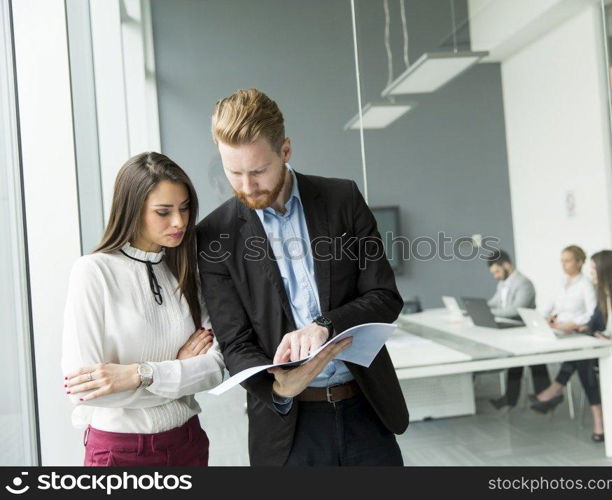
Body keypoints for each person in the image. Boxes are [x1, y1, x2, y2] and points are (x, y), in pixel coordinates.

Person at [197, 89, 409, 466]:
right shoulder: (215, 235)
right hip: (288, 429)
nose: (247, 186)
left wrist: (324, 325)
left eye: (258, 171)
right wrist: (280, 385)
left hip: (366, 410)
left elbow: (384, 296)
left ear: (286, 151)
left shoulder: (342, 199)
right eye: (234, 172)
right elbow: (235, 341)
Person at [62, 152, 225, 466]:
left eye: (184, 208)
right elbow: (82, 390)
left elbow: (215, 368)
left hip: (187, 442)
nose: (179, 222)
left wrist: (140, 374)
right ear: (133, 211)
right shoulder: (94, 272)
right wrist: (178, 370)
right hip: (120, 453)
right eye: (163, 212)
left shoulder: (183, 271)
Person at [531, 250, 612, 442]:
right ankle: (595, 419)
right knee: (583, 358)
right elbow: (594, 321)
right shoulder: (604, 293)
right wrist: (576, 327)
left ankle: (562, 393)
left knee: (583, 360)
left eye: (593, 269)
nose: (591, 273)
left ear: (605, 270)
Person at [485, 250, 551, 410]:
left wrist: (490, 313)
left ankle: (544, 398)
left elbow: (515, 310)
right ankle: (512, 399)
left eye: (497, 271)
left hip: (525, 329)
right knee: (515, 363)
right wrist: (480, 308)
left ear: (506, 265)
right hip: (511, 330)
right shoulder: (503, 283)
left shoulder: (524, 284)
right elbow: (494, 302)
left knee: (534, 363)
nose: (495, 276)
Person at [541, 245, 596, 333]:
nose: (563, 264)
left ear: (579, 262)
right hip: (557, 327)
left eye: (567, 261)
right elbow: (548, 306)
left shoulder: (586, 284)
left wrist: (573, 323)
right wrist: (546, 317)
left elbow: (592, 313)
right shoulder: (561, 282)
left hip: (575, 330)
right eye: (562, 261)